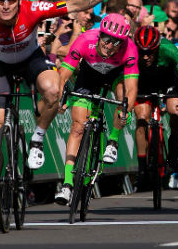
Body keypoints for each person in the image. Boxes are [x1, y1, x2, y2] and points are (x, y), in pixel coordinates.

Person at [0, 0, 125, 216]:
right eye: (0, 1)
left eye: (11, 0)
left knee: (53, 89)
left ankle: (37, 139)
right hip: (1, 66)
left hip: (31, 59)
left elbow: (73, 4)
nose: (6, 6)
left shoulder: (33, 9)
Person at [54, 13, 139, 205]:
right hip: (89, 76)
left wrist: (126, 109)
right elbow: (64, 73)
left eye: (116, 42)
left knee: (122, 98)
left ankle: (113, 140)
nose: (109, 46)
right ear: (100, 35)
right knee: (77, 127)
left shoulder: (130, 49)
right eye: (107, 39)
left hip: (115, 76)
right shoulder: (86, 40)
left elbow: (132, 87)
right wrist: (60, 96)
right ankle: (67, 184)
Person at [133, 25, 178, 190]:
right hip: (144, 82)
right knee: (141, 117)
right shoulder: (132, 52)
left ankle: (173, 139)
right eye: (142, 52)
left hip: (168, 80)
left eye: (150, 52)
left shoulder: (169, 50)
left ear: (157, 47)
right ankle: (141, 169)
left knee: (175, 110)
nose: (145, 56)